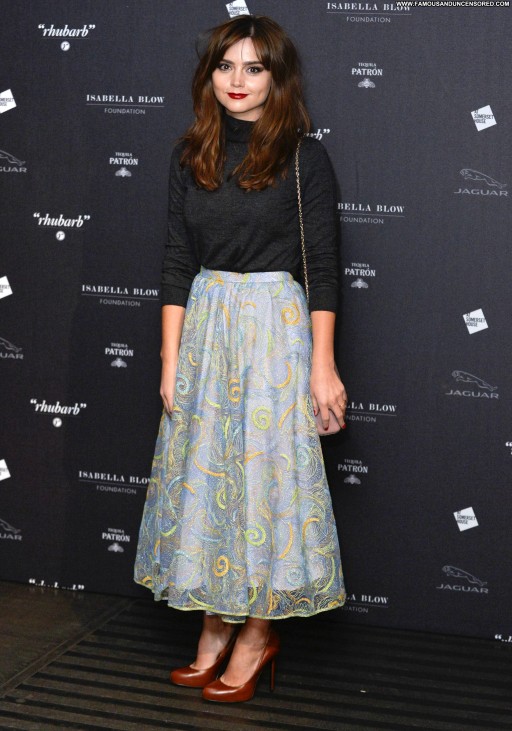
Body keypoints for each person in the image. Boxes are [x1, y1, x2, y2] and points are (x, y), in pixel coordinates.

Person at [134, 14, 348, 704]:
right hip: (206, 330)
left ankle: (257, 633)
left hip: (274, 335)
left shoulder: (302, 157)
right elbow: (176, 260)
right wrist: (170, 360)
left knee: (264, 484)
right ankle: (214, 622)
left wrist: (323, 367)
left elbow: (323, 268)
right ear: (209, 74)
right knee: (207, 482)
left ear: (276, 78)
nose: (237, 80)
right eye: (226, 65)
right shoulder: (189, 153)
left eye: (254, 68)